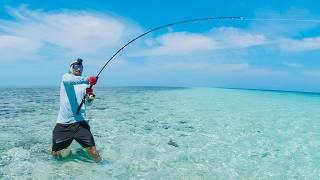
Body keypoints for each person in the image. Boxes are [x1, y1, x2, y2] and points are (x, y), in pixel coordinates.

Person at [51, 58, 101, 162]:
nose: (78, 68)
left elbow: (87, 103)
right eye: (76, 67)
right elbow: (70, 80)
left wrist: (89, 99)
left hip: (80, 123)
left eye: (80, 67)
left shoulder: (85, 85)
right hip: (63, 124)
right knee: (55, 154)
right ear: (71, 68)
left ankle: (103, 168)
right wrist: (88, 79)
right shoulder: (66, 77)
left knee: (94, 152)